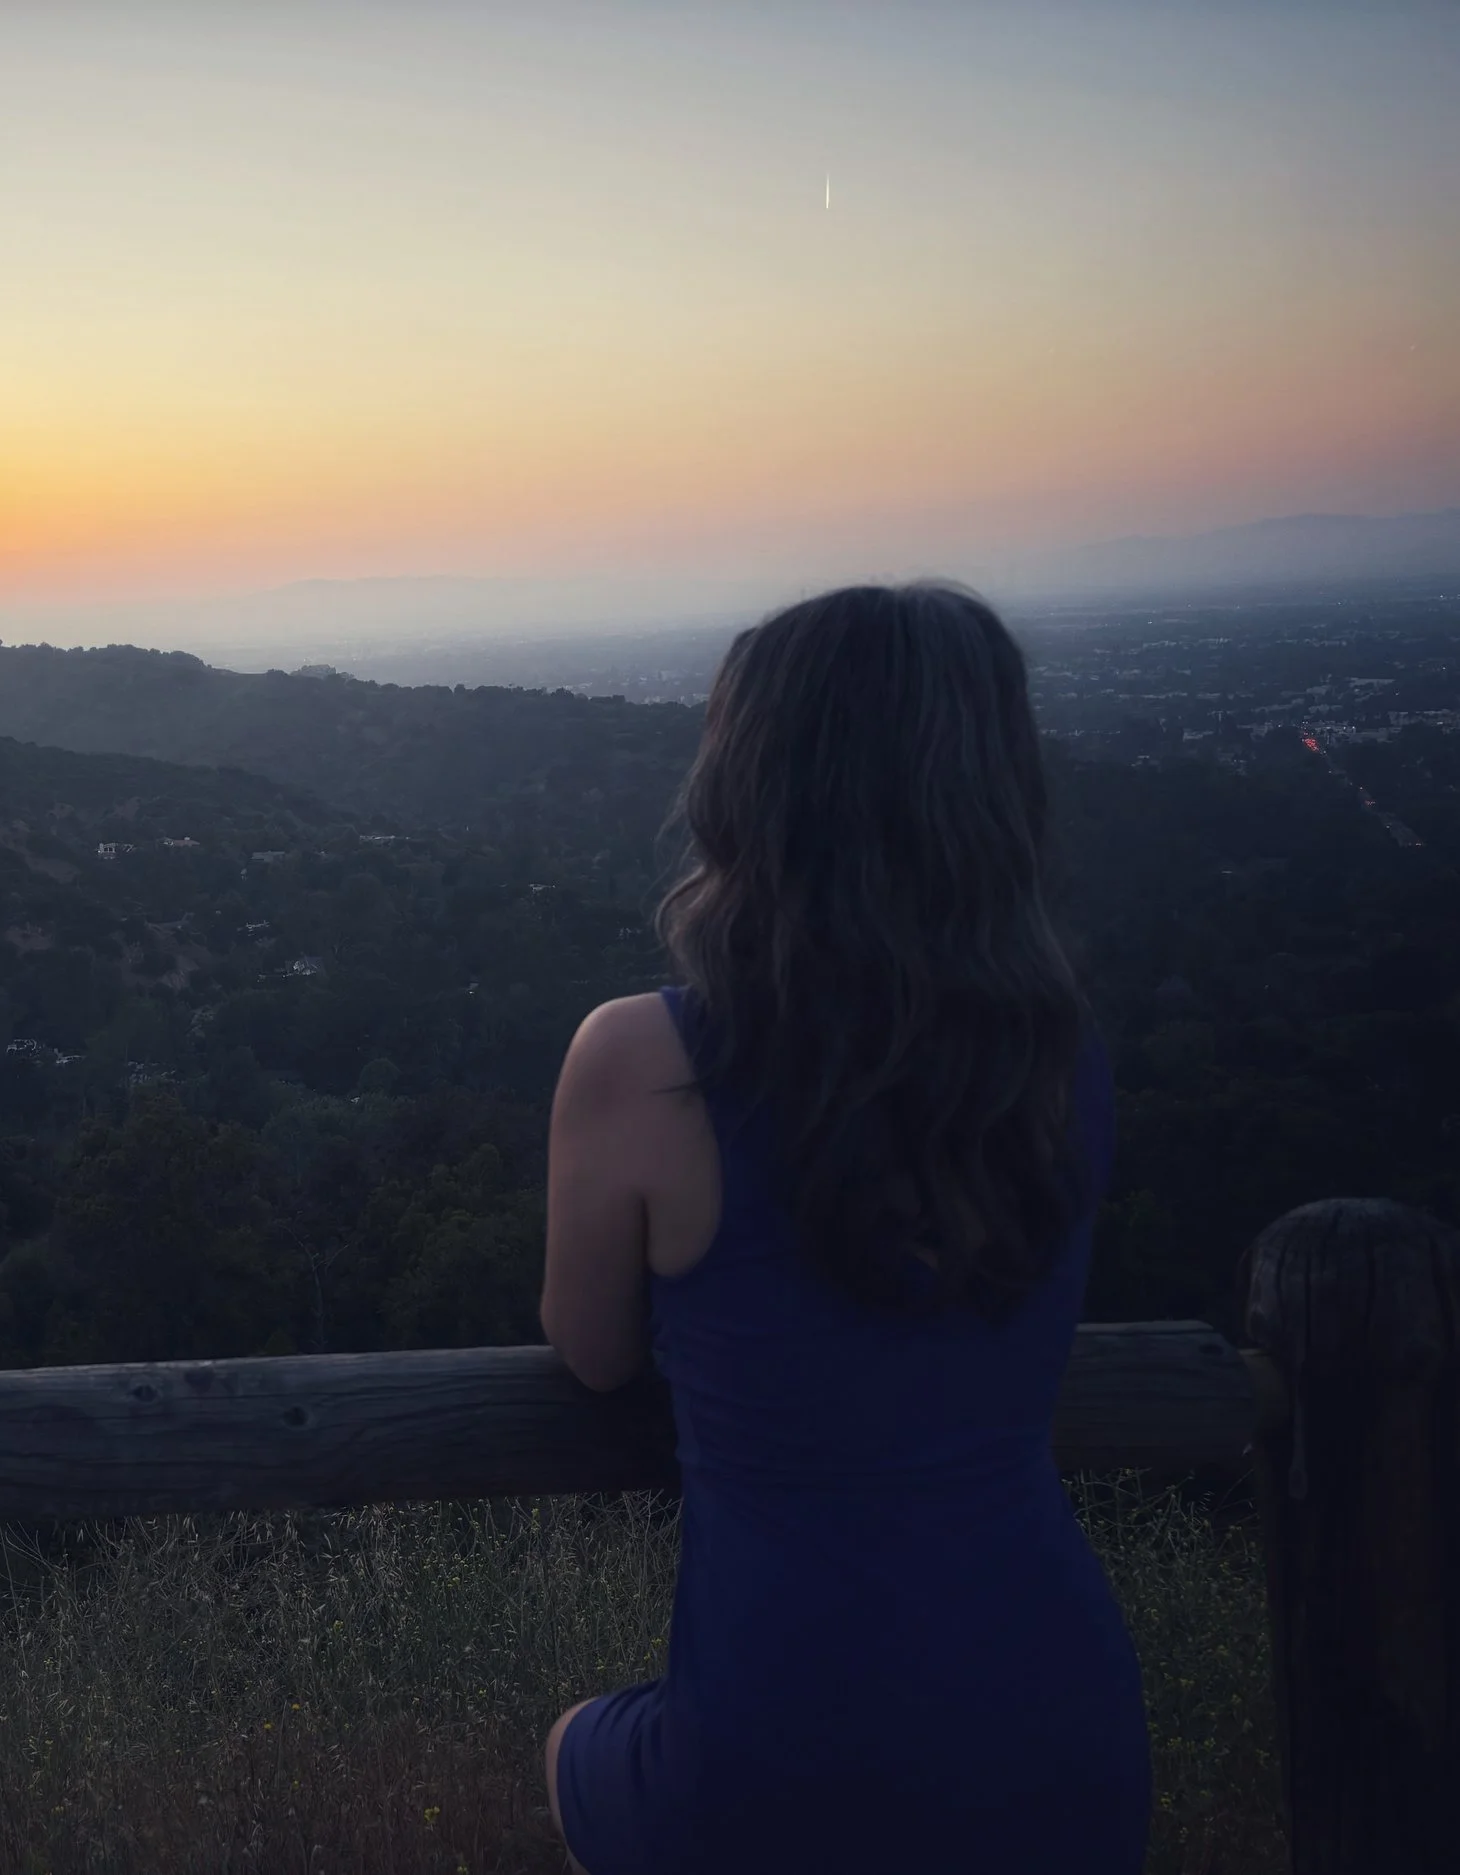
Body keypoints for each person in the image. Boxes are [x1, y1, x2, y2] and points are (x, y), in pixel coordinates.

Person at [538, 584, 1150, 1873]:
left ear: (752, 781)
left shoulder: (645, 1061)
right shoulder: (1060, 1061)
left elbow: (590, 1353)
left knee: (570, 1748)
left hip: (784, 1744)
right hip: (1059, 1724)